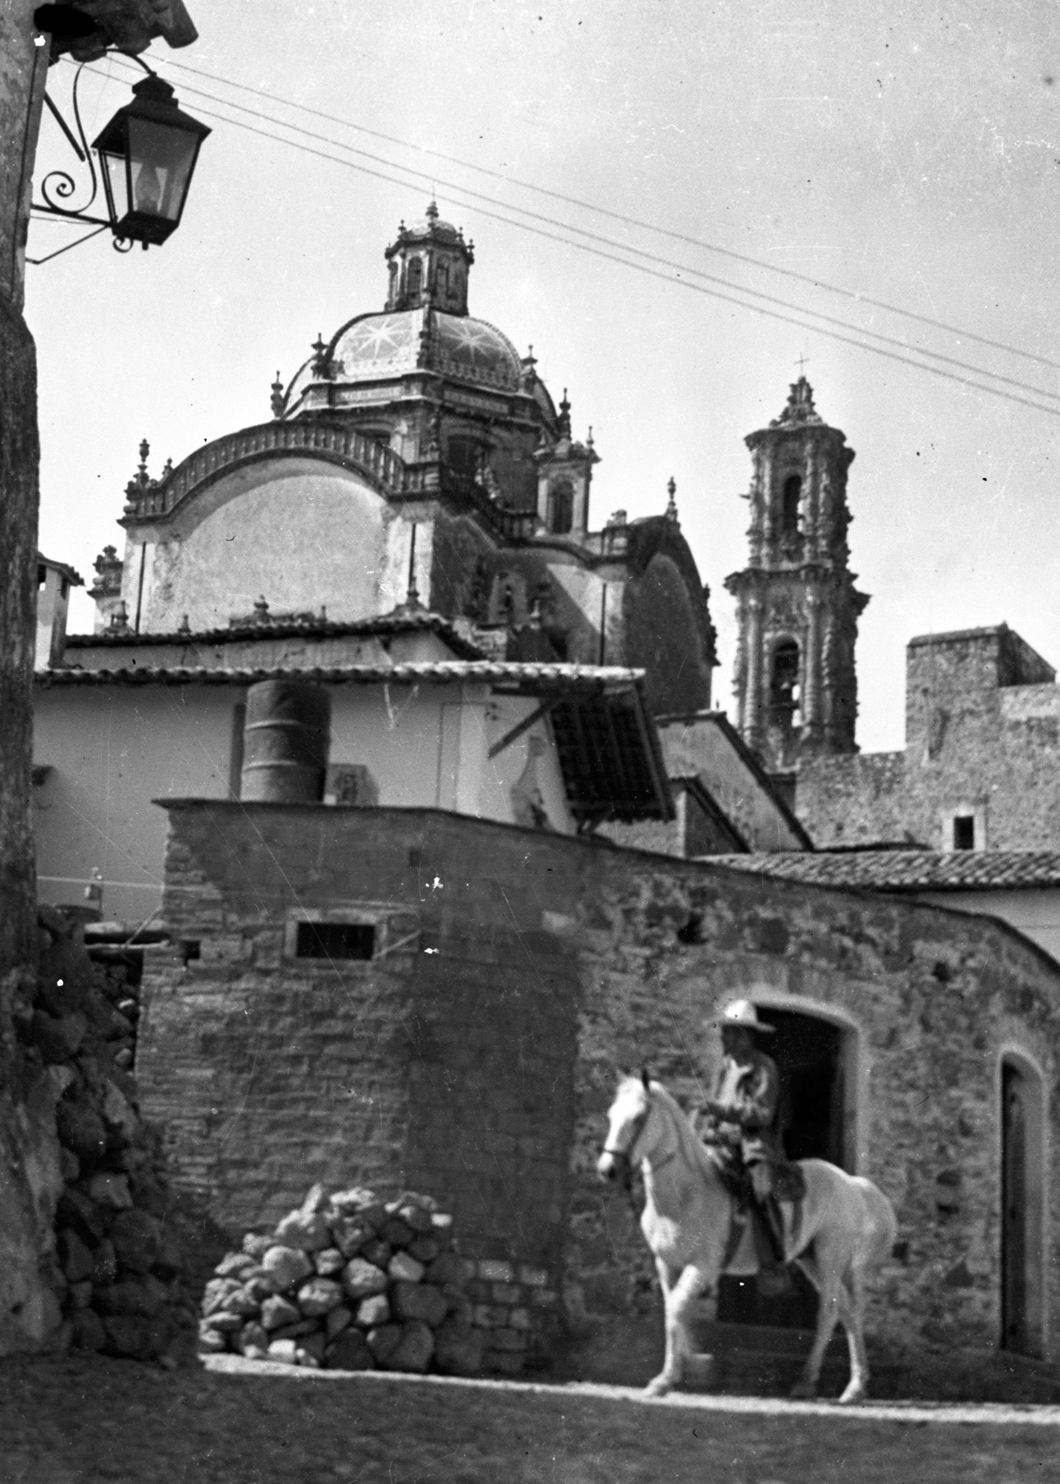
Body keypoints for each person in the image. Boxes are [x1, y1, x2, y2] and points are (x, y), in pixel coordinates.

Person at [698, 998, 792, 1297]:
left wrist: (722, 1111)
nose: (724, 1037)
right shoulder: (725, 1068)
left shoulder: (764, 1067)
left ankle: (774, 1264)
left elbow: (762, 1113)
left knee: (760, 1192)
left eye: (729, 1032)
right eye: (724, 1032)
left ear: (744, 1035)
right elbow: (714, 1108)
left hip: (753, 1148)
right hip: (721, 1145)